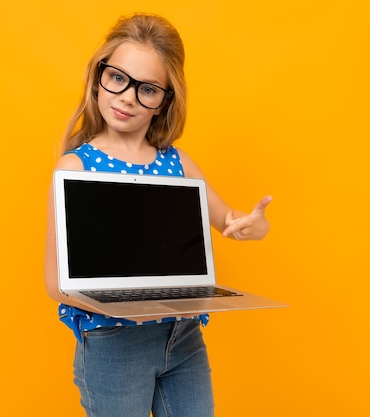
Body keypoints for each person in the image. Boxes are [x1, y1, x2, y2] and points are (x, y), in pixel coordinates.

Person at [44, 13, 272, 417]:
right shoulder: (76, 168)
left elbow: (231, 222)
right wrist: (134, 305)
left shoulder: (178, 163)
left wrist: (252, 226)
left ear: (165, 101)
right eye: (118, 78)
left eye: (147, 89)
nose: (128, 97)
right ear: (99, 76)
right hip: (113, 346)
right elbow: (56, 284)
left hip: (183, 340)